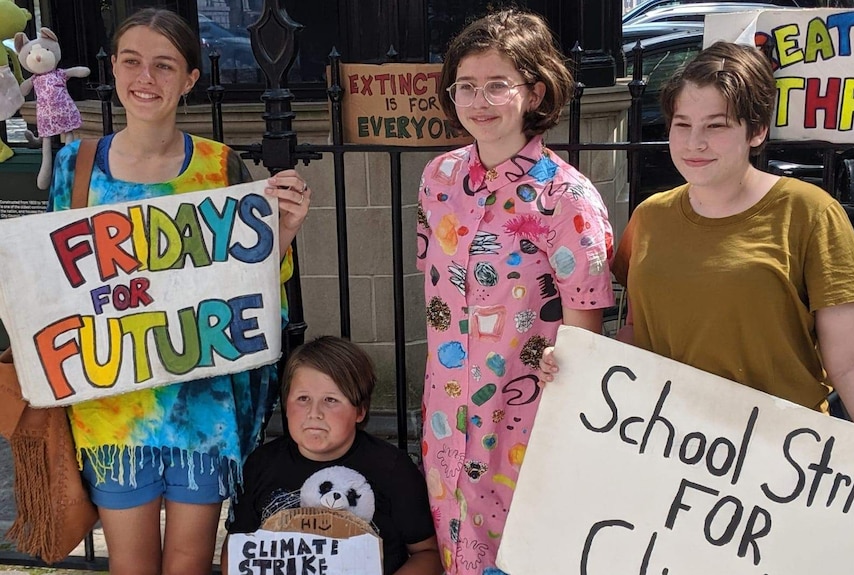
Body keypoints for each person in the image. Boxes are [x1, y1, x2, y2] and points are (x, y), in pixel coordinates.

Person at [46, 8, 311, 575]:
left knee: (190, 564)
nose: (147, 78)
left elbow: (252, 290)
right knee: (131, 566)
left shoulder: (220, 167)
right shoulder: (78, 165)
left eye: (164, 65)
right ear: (112, 70)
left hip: (203, 408)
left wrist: (282, 237)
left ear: (190, 78)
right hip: (113, 410)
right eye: (132, 61)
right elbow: (55, 282)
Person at [541, 41, 854, 422]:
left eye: (716, 125)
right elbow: (637, 331)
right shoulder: (650, 216)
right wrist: (580, 365)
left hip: (779, 455)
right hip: (661, 444)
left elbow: (850, 363)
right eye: (683, 125)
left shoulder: (809, 213)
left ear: (756, 130)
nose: (695, 142)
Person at [416, 9, 615, 573]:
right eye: (466, 86)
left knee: (522, 552)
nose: (479, 101)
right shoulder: (438, 180)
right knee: (454, 543)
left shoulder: (566, 196)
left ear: (534, 91)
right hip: (446, 412)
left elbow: (584, 323)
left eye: (496, 85)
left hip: (520, 415)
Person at [221, 336, 442, 575]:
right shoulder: (260, 465)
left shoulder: (392, 469)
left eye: (331, 400)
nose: (314, 413)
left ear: (360, 410)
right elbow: (237, 548)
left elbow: (428, 553)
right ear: (285, 404)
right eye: (303, 399)